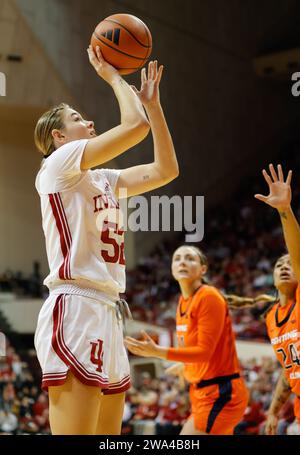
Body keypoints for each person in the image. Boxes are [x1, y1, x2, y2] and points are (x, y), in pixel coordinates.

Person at [33, 45, 179, 435]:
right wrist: (114, 77)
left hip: (109, 310)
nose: (90, 121)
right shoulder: (58, 165)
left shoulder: (103, 179)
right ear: (59, 136)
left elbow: (166, 169)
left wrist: (154, 106)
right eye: (78, 118)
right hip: (76, 305)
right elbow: (134, 128)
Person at [125, 245, 249, 435]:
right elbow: (204, 352)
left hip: (222, 394)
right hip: (202, 394)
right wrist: (185, 365)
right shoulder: (182, 302)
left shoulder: (208, 296)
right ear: (172, 269)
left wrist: (157, 351)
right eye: (177, 258)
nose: (182, 261)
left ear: (203, 269)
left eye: (190, 258)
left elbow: (204, 351)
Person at [229, 164, 300, 435]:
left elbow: (297, 254)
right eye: (279, 264)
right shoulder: (271, 317)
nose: (284, 266)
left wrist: (284, 209)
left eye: (289, 263)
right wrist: (273, 410)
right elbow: (288, 369)